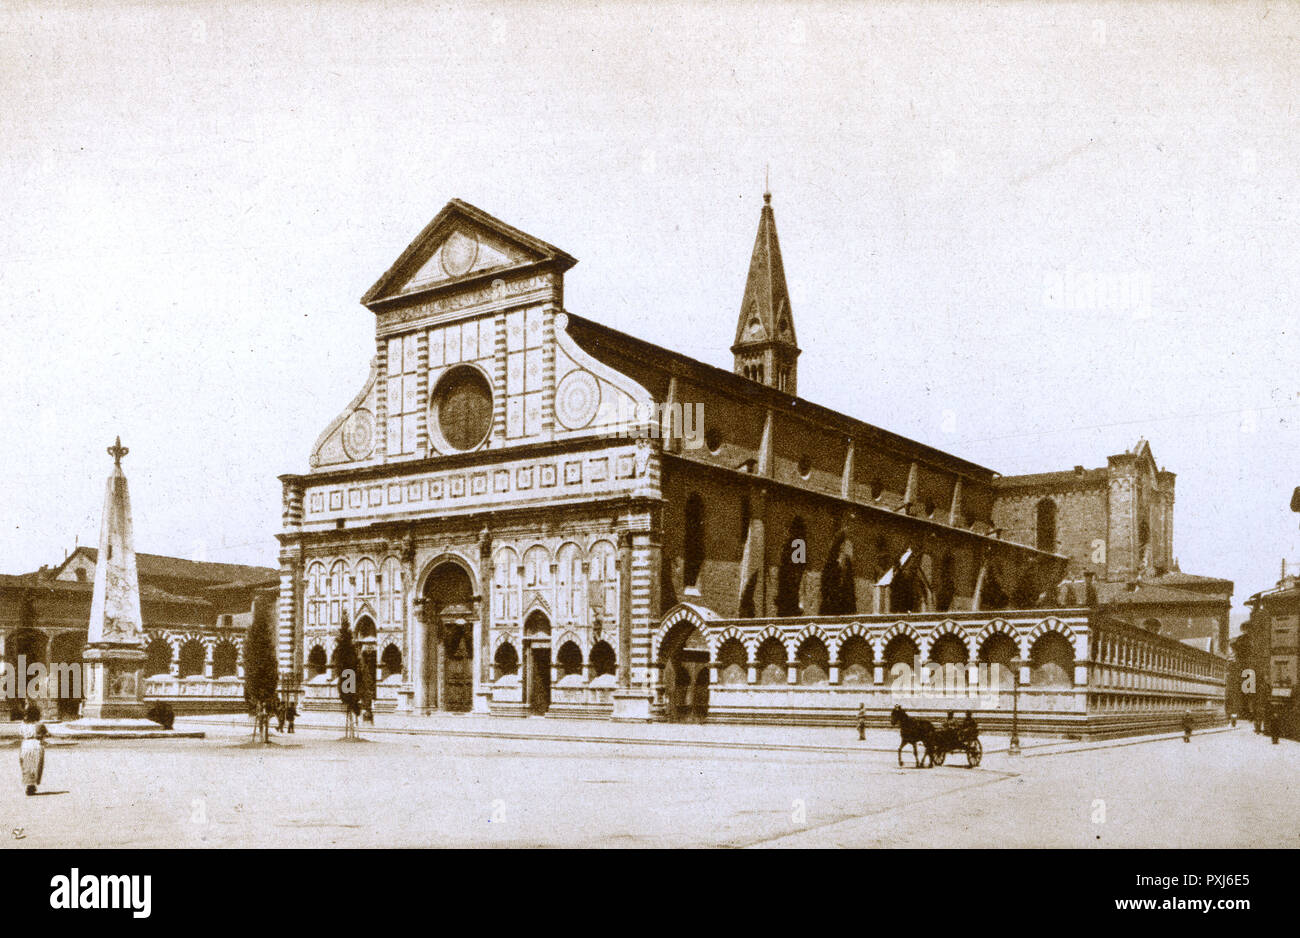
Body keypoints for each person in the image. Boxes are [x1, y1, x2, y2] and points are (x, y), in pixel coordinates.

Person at [19, 704, 49, 796]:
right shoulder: (39, 724)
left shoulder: (23, 724)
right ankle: (32, 785)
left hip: (25, 744)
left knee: (26, 765)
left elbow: (20, 734)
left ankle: (29, 784)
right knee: (36, 765)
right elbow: (46, 734)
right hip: (36, 744)